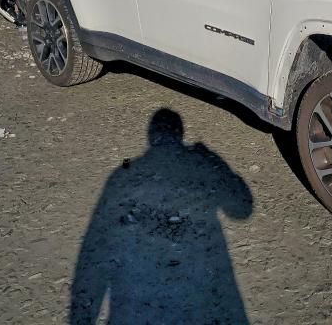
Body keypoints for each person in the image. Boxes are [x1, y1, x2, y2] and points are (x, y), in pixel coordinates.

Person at [70, 108, 253, 324]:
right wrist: (214, 159)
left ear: (151, 138)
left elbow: (95, 249)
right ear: (180, 134)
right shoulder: (201, 167)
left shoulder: (123, 175)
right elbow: (242, 209)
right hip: (196, 304)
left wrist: (82, 317)